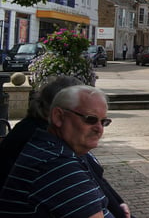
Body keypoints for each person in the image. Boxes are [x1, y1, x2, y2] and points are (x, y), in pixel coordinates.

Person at [0, 77, 131, 218]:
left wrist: (118, 203)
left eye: (104, 122)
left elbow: (97, 180)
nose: (99, 129)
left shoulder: (58, 149)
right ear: (58, 116)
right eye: (90, 119)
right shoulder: (55, 163)